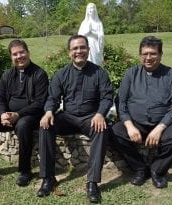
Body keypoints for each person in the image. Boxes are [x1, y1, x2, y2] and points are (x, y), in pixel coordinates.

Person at [36, 35, 113, 203]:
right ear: (69, 52)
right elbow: (52, 97)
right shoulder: (61, 74)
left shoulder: (99, 72)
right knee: (45, 126)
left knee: (102, 129)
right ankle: (48, 178)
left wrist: (100, 114)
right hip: (68, 117)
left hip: (90, 118)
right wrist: (49, 111)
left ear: (88, 49)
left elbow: (107, 97)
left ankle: (92, 182)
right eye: (75, 48)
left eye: (82, 47)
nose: (79, 51)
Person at [112, 36, 172, 189]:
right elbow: (121, 102)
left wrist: (160, 128)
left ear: (160, 54)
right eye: (144, 54)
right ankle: (140, 169)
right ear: (140, 55)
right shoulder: (131, 74)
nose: (148, 58)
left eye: (153, 53)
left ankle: (157, 170)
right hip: (136, 124)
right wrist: (129, 125)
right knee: (114, 132)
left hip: (163, 124)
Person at [0, 39, 49, 187]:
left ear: (28, 53)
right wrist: (3, 113)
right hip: (9, 115)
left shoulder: (39, 74)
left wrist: (18, 114)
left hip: (31, 116)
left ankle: (25, 171)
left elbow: (40, 103)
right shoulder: (7, 75)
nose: (19, 56)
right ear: (11, 57)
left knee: (22, 125)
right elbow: (0, 97)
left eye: (22, 52)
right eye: (15, 54)